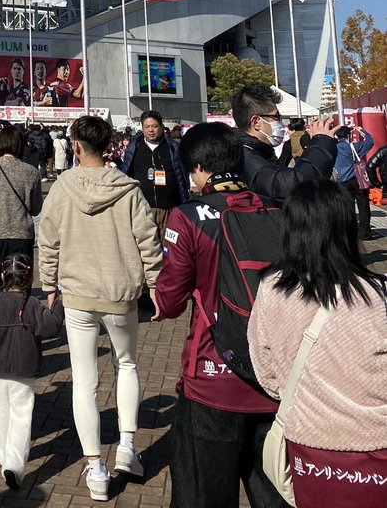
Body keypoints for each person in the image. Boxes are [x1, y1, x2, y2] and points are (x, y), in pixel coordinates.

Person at [152, 122, 286, 508]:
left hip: (213, 377)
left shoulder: (188, 217)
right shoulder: (278, 210)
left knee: (202, 494)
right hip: (275, 376)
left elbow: (171, 299)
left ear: (196, 169)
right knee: (274, 493)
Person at [38, 115, 162, 502]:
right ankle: (127, 445)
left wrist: (48, 284)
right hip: (120, 291)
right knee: (126, 363)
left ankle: (95, 467)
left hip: (77, 294)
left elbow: (48, 240)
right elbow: (148, 243)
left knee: (85, 380)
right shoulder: (128, 189)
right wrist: (156, 286)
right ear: (110, 145)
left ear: (76, 145)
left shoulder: (61, 188)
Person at [248, 180, 387, 506]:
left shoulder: (272, 289)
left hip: (309, 444)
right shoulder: (379, 294)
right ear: (346, 227)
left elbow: (265, 372)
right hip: (378, 446)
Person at [0, 253, 65, 490]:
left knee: (2, 412)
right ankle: (13, 465)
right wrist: (57, 305)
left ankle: (4, 456)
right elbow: (51, 326)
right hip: (23, 368)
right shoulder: (32, 304)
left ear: (3, 276)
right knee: (21, 415)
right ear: (30, 278)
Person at [0, 126, 43, 319]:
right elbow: (36, 207)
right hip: (22, 236)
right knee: (21, 286)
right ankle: (20, 326)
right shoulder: (31, 172)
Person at [232, 84, 337, 205]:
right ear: (256, 122)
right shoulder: (245, 156)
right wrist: (322, 141)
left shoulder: (255, 151)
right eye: (276, 117)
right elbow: (292, 185)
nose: (281, 123)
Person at [117, 109, 190, 235]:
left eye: (155, 126)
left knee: (170, 247)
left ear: (161, 127)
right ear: (142, 128)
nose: (151, 130)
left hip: (170, 208)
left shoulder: (173, 148)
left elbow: (182, 176)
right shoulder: (134, 148)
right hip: (143, 208)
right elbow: (126, 173)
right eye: (147, 127)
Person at [334, 123, 375, 240]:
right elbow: (370, 141)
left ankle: (350, 232)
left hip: (342, 181)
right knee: (363, 207)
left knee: (348, 208)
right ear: (349, 136)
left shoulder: (334, 147)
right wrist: (362, 131)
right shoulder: (354, 147)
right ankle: (364, 233)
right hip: (357, 181)